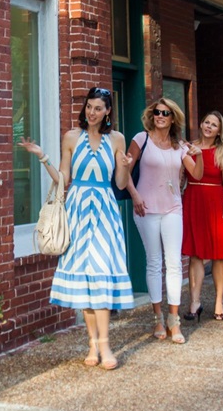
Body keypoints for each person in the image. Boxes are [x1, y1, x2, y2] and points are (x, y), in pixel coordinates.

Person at [19, 87, 133, 369]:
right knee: (85, 278)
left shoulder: (117, 139)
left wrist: (127, 166)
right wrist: (42, 157)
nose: (91, 113)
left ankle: (105, 346)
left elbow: (119, 183)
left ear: (108, 111)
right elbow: (63, 179)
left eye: (98, 108)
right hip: (78, 211)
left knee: (102, 274)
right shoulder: (71, 137)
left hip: (105, 211)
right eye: (89, 107)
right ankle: (92, 344)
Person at [125, 98, 201, 344]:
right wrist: (135, 195)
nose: (160, 116)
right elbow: (124, 169)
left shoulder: (180, 146)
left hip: (173, 208)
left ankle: (174, 320)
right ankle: (157, 318)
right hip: (145, 207)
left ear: (173, 118)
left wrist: (197, 155)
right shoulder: (140, 139)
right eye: (157, 112)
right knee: (154, 263)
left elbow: (196, 174)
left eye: (165, 113)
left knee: (174, 263)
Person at [181, 111, 223, 321]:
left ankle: (218, 301)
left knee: (219, 254)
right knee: (196, 254)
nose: (209, 126)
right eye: (206, 122)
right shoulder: (189, 147)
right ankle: (195, 302)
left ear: (219, 130)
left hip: (216, 201)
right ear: (201, 124)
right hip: (193, 199)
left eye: (214, 124)